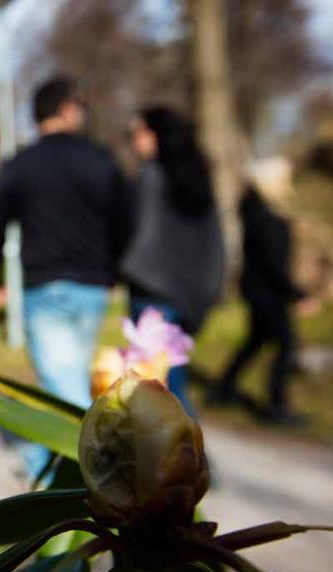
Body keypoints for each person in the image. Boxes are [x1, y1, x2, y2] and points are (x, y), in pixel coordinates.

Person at [0, 76, 128, 476]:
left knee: (66, 386)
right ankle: (59, 467)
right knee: (70, 381)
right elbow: (124, 220)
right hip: (91, 286)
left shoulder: (21, 164)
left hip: (45, 287)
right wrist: (114, 270)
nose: (82, 112)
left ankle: (90, 469)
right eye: (79, 105)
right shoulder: (101, 160)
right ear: (65, 108)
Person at [121, 107, 225, 416]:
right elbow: (214, 242)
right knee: (171, 387)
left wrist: (125, 268)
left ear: (157, 135)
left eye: (138, 133)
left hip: (151, 295)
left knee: (162, 391)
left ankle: (188, 460)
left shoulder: (149, 177)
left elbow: (137, 234)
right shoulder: (198, 177)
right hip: (188, 296)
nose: (133, 142)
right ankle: (185, 457)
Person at [212, 159, 306, 425]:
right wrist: (296, 293)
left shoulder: (259, 211)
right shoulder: (266, 217)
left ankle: (222, 388)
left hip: (260, 291)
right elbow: (273, 262)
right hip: (268, 293)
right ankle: (277, 407)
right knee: (286, 345)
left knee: (255, 342)